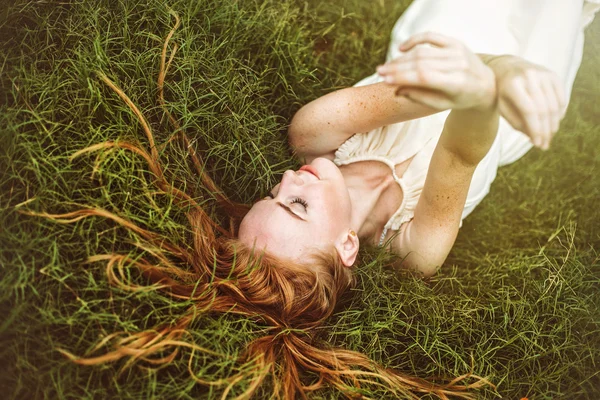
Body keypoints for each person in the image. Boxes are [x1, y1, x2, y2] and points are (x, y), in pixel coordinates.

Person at [26, 0, 599, 399]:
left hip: (439, 52)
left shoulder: (313, 136)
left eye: (273, 190)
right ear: (348, 246)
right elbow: (460, 156)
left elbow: (430, 89)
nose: (290, 177)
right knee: (555, 32)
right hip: (500, 119)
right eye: (295, 204)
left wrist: (487, 70)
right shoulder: (414, 252)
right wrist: (494, 84)